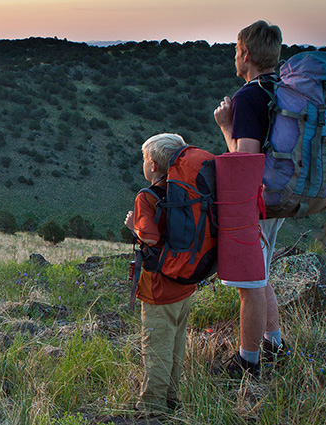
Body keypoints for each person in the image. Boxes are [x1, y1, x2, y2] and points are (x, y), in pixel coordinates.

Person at [211, 20, 289, 378]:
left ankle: (248, 362)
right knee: (262, 273)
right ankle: (274, 344)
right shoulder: (283, 90)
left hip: (255, 202)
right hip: (281, 196)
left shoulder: (247, 96)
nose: (234, 56)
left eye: (235, 50)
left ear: (245, 53)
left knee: (249, 284)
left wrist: (227, 126)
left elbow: (245, 163)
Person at [123, 133, 197, 414]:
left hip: (159, 286)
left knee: (156, 347)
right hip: (185, 282)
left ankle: (151, 409)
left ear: (152, 165)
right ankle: (171, 399)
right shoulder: (187, 191)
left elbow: (151, 238)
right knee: (177, 344)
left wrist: (134, 228)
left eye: (144, 159)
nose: (143, 164)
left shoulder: (147, 196)